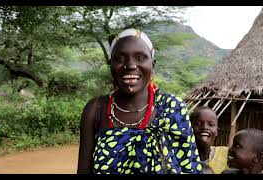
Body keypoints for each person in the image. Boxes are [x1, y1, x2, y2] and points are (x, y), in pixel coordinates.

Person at [77, 29, 202, 174]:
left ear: (152, 64)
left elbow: (189, 167)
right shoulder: (95, 109)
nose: (130, 65)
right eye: (120, 58)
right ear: (110, 64)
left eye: (140, 57)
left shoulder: (173, 107)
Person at [190, 106, 228, 174]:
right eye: (198, 124)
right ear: (189, 129)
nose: (205, 127)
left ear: (216, 131)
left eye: (211, 124)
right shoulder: (180, 158)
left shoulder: (225, 155)